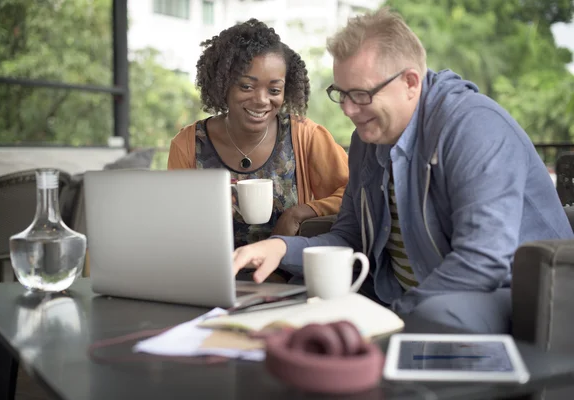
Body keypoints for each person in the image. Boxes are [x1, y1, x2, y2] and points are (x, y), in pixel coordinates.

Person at [231, 8, 574, 333]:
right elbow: (350, 239)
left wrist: (391, 315)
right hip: (405, 294)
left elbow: (480, 262)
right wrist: (279, 248)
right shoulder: (368, 140)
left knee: (433, 314)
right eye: (342, 94)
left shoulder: (473, 127)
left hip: (513, 295)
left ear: (411, 82)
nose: (349, 110)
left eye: (361, 95)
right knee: (298, 302)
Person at [168, 19, 349, 251]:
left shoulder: (306, 136)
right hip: (211, 275)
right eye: (246, 86)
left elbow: (353, 194)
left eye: (274, 90)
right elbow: (176, 222)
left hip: (287, 276)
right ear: (223, 85)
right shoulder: (188, 144)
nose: (262, 100)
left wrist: (299, 213)